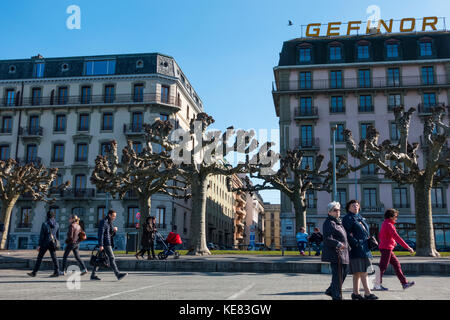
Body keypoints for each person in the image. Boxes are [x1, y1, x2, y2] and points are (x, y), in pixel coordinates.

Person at [342, 200, 378, 300]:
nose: (356, 207)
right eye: (353, 205)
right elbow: (347, 233)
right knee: (363, 271)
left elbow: (365, 232)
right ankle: (367, 293)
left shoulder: (360, 218)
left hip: (365, 247)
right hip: (357, 248)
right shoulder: (348, 218)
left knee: (358, 272)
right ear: (348, 208)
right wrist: (355, 243)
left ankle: (356, 293)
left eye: (357, 205)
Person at [375, 208, 415, 291]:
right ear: (391, 216)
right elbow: (397, 237)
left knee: (396, 265)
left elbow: (381, 236)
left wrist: (393, 242)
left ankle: (404, 283)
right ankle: (377, 285)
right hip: (386, 248)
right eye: (395, 216)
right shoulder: (389, 225)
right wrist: (408, 247)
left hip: (386, 247)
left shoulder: (385, 223)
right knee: (382, 267)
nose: (396, 218)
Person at [322, 201, 349, 300]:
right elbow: (327, 238)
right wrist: (337, 244)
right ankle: (336, 295)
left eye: (338, 210)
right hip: (336, 253)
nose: (338, 212)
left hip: (344, 253)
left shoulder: (338, 222)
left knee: (344, 273)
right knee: (338, 275)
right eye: (335, 210)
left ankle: (331, 290)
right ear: (329, 212)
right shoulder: (329, 222)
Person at [91, 210, 127, 281]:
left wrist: (114, 231)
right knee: (112, 258)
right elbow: (100, 234)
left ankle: (93, 275)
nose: (114, 217)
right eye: (113, 216)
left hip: (108, 242)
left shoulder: (109, 223)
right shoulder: (103, 222)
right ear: (109, 215)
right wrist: (101, 245)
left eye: (115, 216)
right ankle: (118, 274)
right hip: (105, 244)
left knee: (99, 260)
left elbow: (110, 234)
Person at [27, 211, 61, 277]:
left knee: (39, 258)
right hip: (53, 243)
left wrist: (39, 245)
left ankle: (34, 272)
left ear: (47, 216)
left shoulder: (45, 224)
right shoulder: (57, 224)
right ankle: (57, 272)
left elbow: (42, 235)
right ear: (53, 216)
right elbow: (57, 235)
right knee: (54, 258)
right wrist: (57, 242)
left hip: (45, 243)